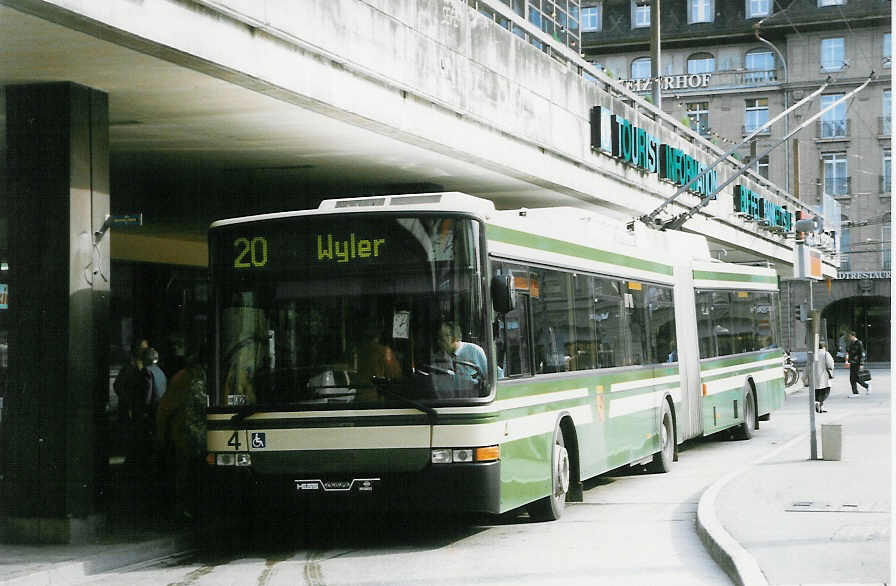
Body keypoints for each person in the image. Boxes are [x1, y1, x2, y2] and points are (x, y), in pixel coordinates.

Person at [155, 347, 207, 520]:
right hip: (192, 436)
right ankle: (186, 508)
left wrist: (161, 435)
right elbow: (165, 409)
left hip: (189, 435)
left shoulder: (184, 377)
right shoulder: (189, 378)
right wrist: (161, 436)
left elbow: (164, 410)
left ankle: (187, 508)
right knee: (188, 473)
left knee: (188, 473)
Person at [113, 339, 148, 464]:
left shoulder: (145, 366)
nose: (144, 351)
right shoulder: (129, 367)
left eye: (146, 348)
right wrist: (128, 401)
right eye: (142, 348)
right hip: (131, 409)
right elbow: (118, 386)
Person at [431, 322, 488, 396]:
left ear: (455, 338)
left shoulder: (475, 351)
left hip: (472, 400)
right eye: (438, 339)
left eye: (442, 339)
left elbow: (492, 376)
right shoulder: (438, 357)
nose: (439, 342)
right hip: (446, 400)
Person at [136, 347, 167, 465]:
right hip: (160, 408)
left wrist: (143, 410)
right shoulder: (160, 372)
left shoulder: (146, 371)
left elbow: (147, 393)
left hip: (151, 410)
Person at [807, 341, 835, 413]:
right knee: (825, 391)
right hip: (823, 376)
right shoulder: (825, 353)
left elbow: (808, 365)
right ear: (823, 347)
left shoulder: (813, 354)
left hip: (814, 377)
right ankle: (819, 403)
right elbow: (830, 365)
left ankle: (819, 406)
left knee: (817, 392)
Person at [844, 331, 869, 396]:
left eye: (850, 336)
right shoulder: (851, 343)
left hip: (857, 363)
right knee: (852, 378)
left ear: (853, 336)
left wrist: (861, 364)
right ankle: (855, 392)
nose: (849, 338)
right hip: (852, 362)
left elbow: (862, 354)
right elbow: (848, 352)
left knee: (856, 377)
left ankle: (867, 386)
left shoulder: (859, 343)